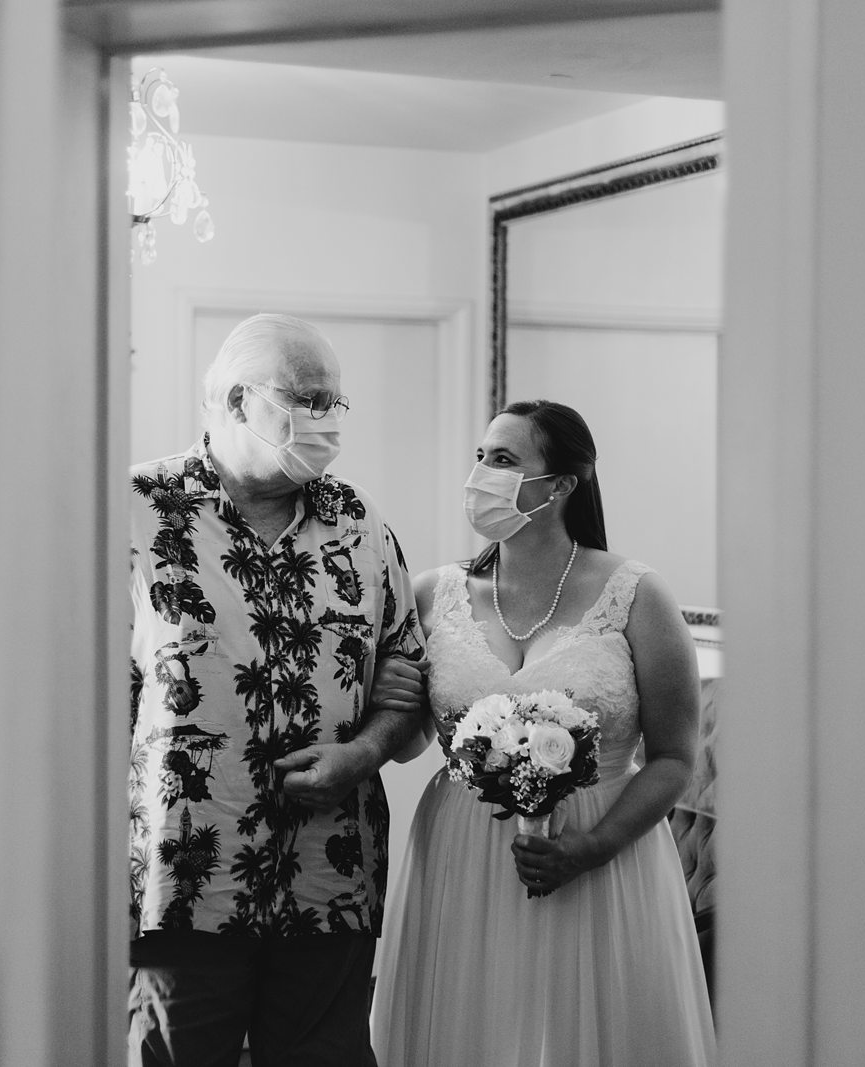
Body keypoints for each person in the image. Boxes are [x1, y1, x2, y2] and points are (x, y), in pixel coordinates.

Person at [370, 399, 717, 1066]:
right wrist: (391, 698)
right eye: (481, 456)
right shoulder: (432, 593)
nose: (481, 474)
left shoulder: (639, 596)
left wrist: (592, 846)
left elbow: (675, 757)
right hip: (463, 853)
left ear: (561, 485)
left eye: (503, 459)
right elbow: (413, 741)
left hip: (604, 852)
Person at [125, 313, 429, 1067]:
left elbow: (408, 676)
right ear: (234, 401)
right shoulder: (134, 513)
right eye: (306, 397)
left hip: (332, 880)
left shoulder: (359, 524)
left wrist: (364, 751)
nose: (324, 419)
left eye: (334, 402)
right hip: (186, 884)